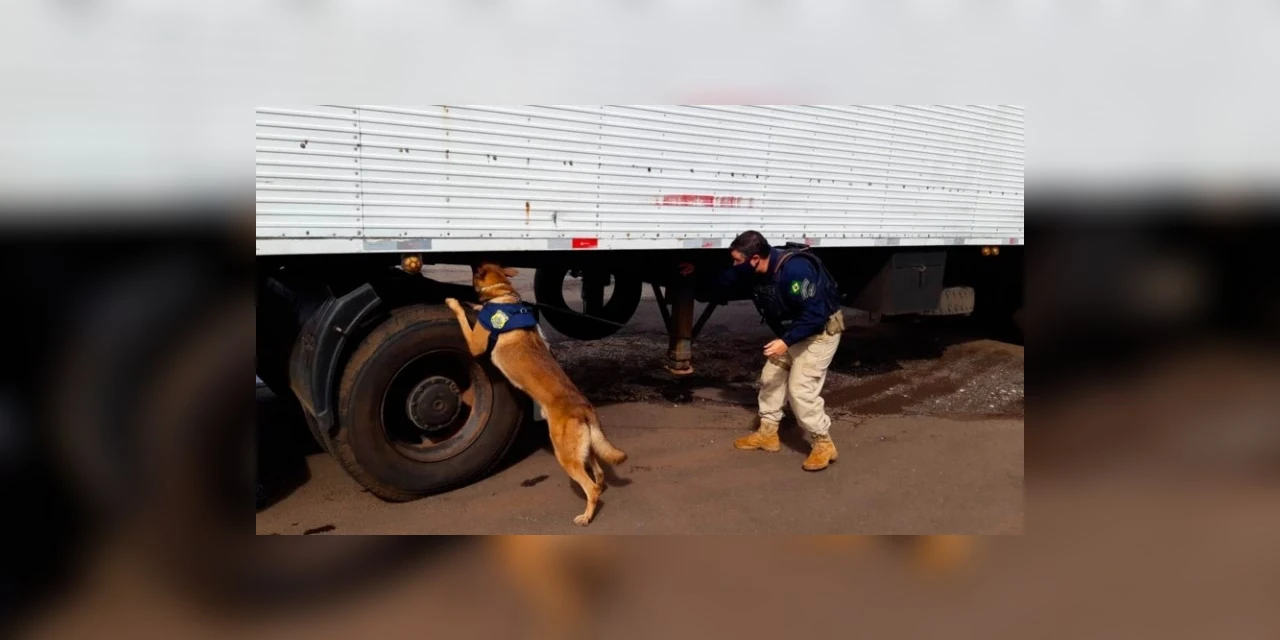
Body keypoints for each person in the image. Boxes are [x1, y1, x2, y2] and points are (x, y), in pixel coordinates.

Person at [681, 230, 845, 471]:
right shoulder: (754, 269)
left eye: (738, 260)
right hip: (794, 333)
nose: (735, 264)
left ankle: (823, 443)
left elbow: (815, 315)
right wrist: (696, 273)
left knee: (800, 391)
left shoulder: (795, 271)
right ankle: (768, 434)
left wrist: (785, 342)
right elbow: (725, 279)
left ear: (755, 258)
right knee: (770, 379)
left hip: (820, 334)